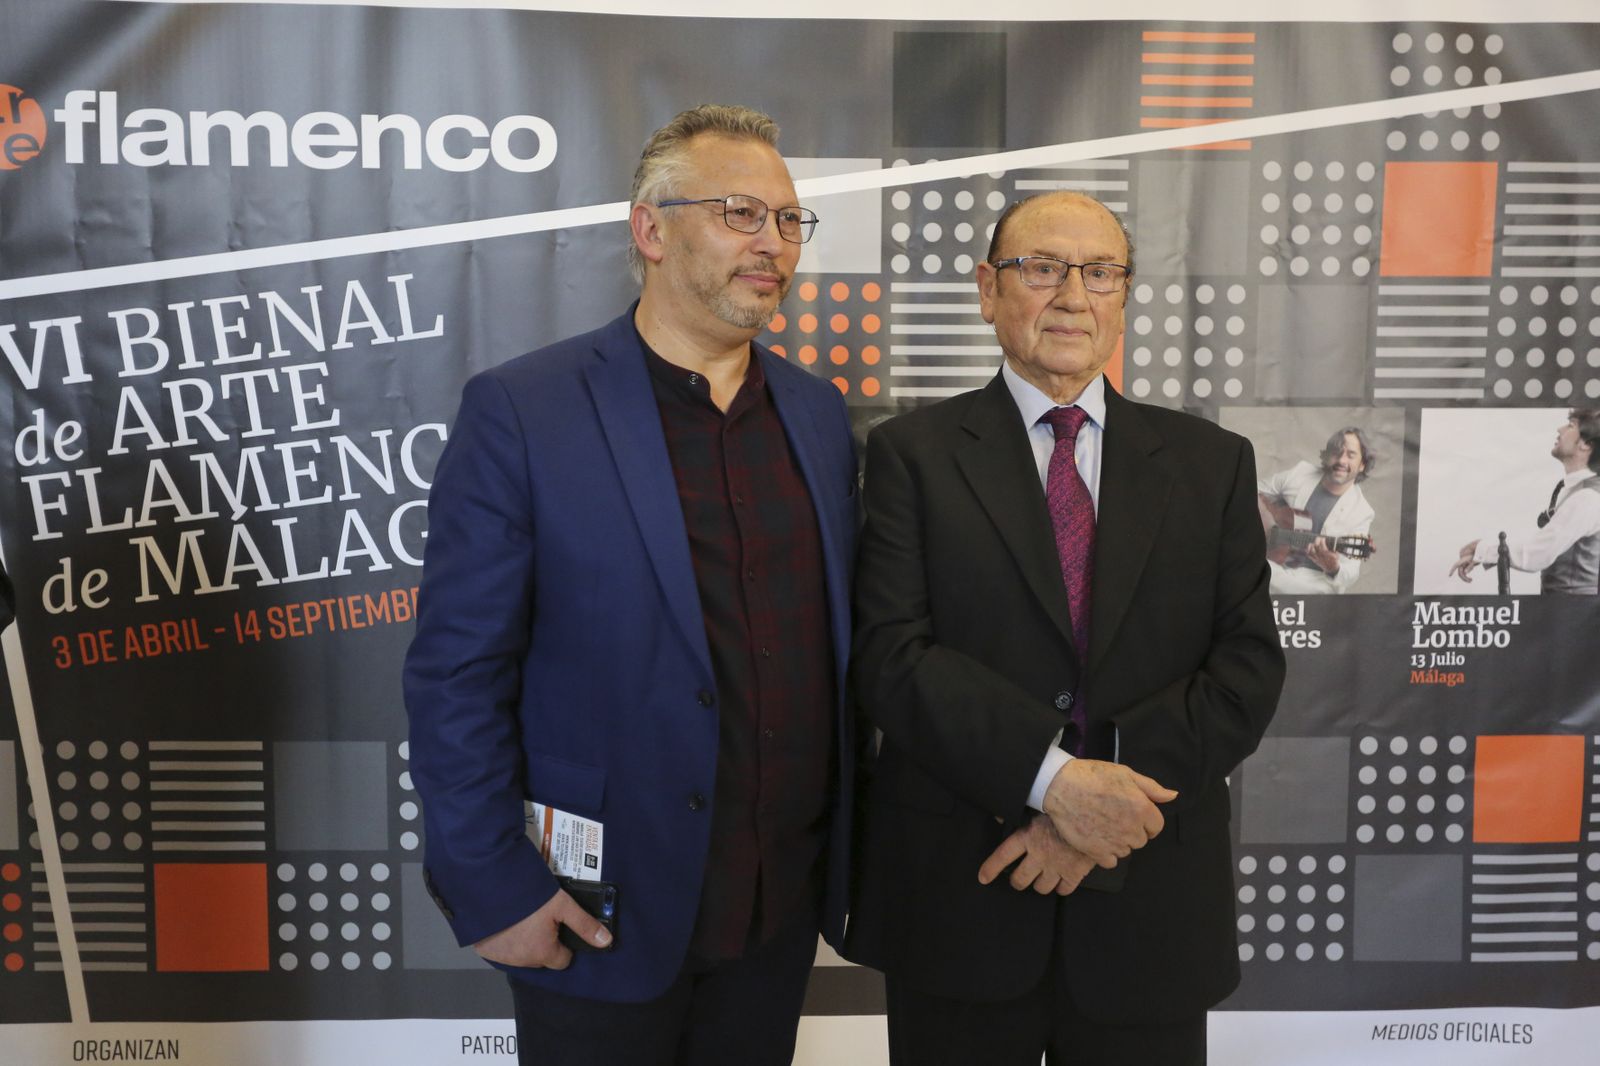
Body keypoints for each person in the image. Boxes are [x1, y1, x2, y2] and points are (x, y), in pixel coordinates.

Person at [403, 104, 859, 1066]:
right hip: (591, 921)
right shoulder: (524, 410)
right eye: (740, 213)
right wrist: (497, 889)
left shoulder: (819, 417)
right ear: (650, 231)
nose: (772, 243)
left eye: (788, 220)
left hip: (777, 918)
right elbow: (457, 677)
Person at [846, 191, 1285, 1065]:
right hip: (962, 907)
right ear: (987, 289)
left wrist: (1096, 799)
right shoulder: (909, 456)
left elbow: (1245, 669)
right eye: (1041, 269)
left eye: (1100, 273)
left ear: (1124, 295)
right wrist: (1049, 782)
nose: (1072, 296)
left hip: (1148, 916)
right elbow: (893, 661)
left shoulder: (1212, 463)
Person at [1450, 408, 1600, 594]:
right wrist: (1483, 553)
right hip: (1565, 610)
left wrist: (1483, 550)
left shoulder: (1587, 498)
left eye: (1570, 426)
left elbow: (1538, 554)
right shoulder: (1578, 490)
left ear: (1585, 444)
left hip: (1573, 613)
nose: (1559, 429)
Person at [1257, 427, 1378, 594]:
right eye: (1337, 452)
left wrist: (1333, 567)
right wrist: (1265, 520)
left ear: (1362, 464)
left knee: (1255, 572)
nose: (1341, 461)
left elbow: (1350, 573)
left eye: (1350, 455)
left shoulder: (1362, 511)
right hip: (1274, 560)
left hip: (1314, 581)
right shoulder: (1301, 473)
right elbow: (1252, 490)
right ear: (1328, 455)